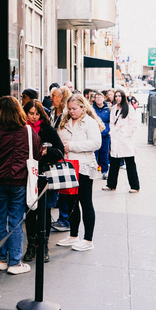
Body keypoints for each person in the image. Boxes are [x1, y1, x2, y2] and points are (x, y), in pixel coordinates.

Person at [0, 96, 42, 275]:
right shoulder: (28, 131)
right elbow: (37, 153)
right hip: (19, 181)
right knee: (16, 222)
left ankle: (1, 259)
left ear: (0, 111)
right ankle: (15, 262)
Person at [55, 94, 104, 252]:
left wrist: (72, 145)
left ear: (83, 107)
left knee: (85, 202)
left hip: (83, 166)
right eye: (69, 109)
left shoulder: (89, 122)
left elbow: (96, 143)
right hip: (68, 166)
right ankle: (73, 235)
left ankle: (88, 240)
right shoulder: (65, 121)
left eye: (74, 109)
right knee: (70, 202)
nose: (71, 112)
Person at [22, 100, 64, 263]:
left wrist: (47, 152)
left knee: (45, 211)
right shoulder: (22, 129)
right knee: (30, 211)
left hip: (45, 175)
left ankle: (44, 245)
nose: (33, 117)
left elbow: (60, 151)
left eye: (37, 113)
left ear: (41, 114)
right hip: (27, 176)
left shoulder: (48, 129)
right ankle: (31, 245)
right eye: (30, 113)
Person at [103, 89, 140, 193]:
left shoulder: (129, 108)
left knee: (130, 163)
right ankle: (111, 184)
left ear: (123, 97)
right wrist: (113, 132)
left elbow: (133, 123)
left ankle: (135, 186)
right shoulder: (113, 108)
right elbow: (111, 122)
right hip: (115, 138)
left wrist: (126, 133)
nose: (117, 98)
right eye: (116, 96)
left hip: (125, 138)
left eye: (119, 96)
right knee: (114, 162)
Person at [49, 86, 73, 232]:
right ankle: (61, 218)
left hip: (64, 153)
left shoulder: (67, 114)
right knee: (58, 187)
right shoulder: (51, 112)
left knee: (64, 188)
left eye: (54, 95)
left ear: (62, 97)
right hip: (53, 153)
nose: (51, 98)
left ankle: (64, 219)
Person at [92, 92, 111, 180]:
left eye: (100, 97)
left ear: (103, 98)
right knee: (94, 154)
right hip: (94, 135)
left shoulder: (108, 109)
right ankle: (93, 171)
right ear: (94, 99)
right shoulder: (92, 109)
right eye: (97, 97)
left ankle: (105, 172)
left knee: (104, 154)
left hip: (105, 135)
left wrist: (109, 131)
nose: (99, 99)